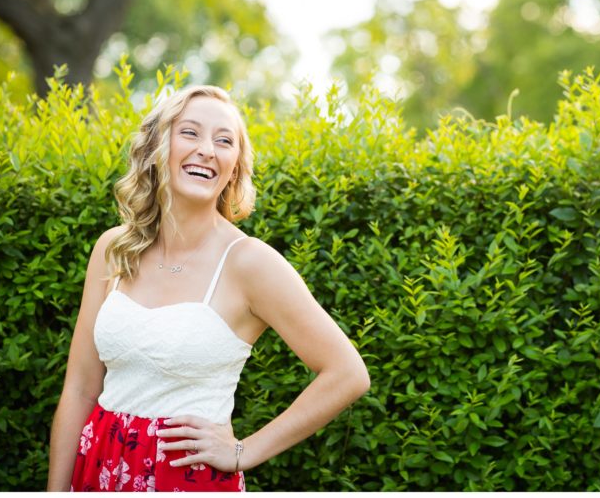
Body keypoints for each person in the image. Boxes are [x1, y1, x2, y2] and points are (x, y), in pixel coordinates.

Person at [46, 85, 370, 492]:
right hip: (99, 467)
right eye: (190, 133)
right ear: (156, 148)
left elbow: (347, 373)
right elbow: (79, 388)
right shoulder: (114, 249)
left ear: (234, 167)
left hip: (185, 479)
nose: (206, 150)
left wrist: (243, 452)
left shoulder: (250, 262)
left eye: (223, 141)